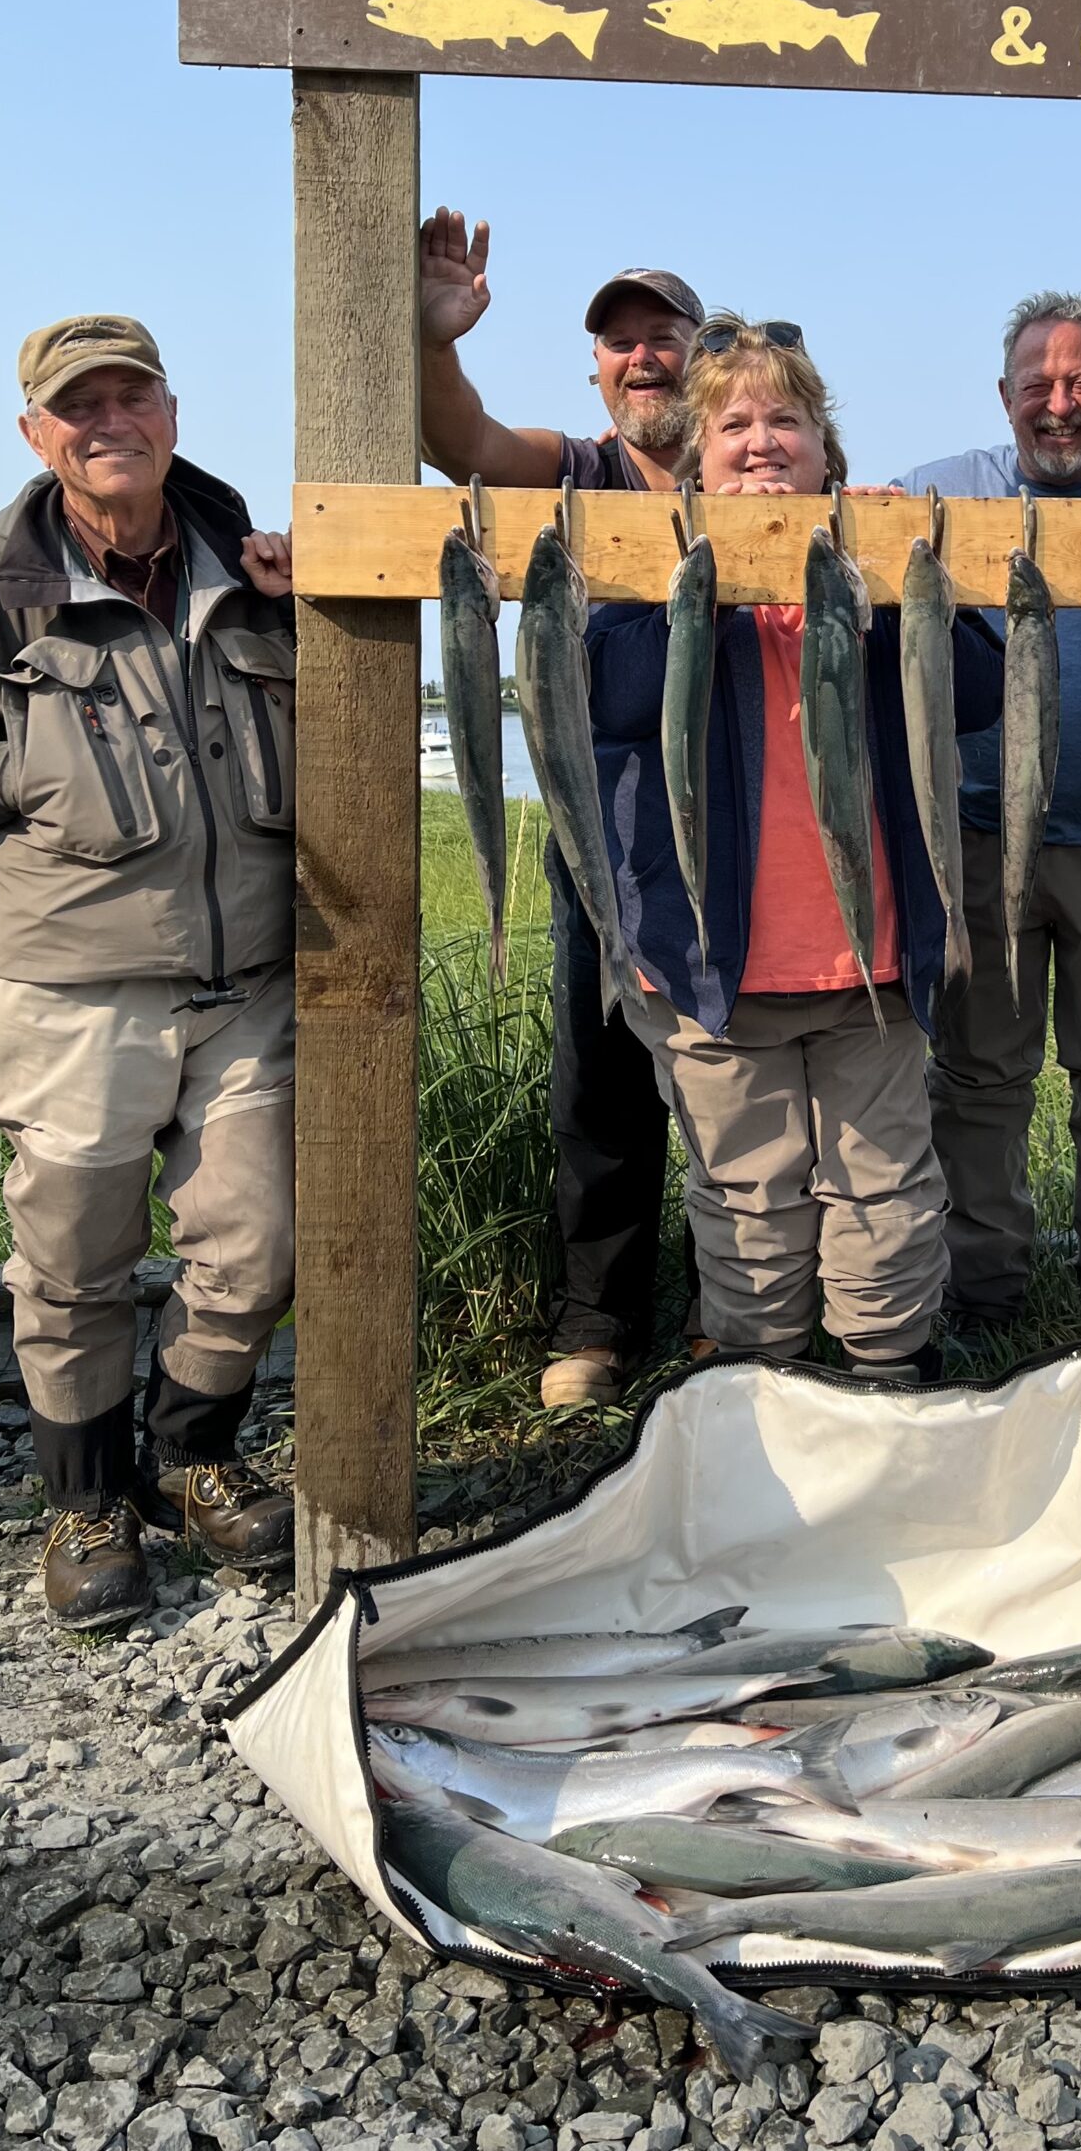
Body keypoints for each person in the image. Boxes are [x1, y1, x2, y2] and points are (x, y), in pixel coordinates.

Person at [0, 316, 300, 1628]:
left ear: (170, 411)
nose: (109, 423)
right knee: (76, 1262)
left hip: (249, 986)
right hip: (71, 992)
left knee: (260, 1248)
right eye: (76, 405)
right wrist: (15, 772)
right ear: (37, 433)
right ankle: (88, 1501)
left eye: (129, 396)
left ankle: (192, 1457)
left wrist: (308, 603)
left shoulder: (251, 566)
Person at [585, 319, 1005, 1378]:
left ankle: (885, 1374)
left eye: (788, 419)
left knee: (885, 1190)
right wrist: (706, 573)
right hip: (715, 968)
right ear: (694, 456)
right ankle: (759, 1380)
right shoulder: (649, 570)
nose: (761, 441)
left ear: (829, 453)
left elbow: (981, 690)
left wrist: (900, 576)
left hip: (873, 957)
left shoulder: (876, 565)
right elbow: (616, 695)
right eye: (732, 423)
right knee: (743, 1196)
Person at [417, 208, 704, 1409]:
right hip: (603, 834)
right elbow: (461, 438)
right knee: (599, 1083)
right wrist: (434, 341)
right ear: (595, 366)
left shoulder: (762, 466)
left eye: (664, 336)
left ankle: (739, 1310)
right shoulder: (571, 471)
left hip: (739, 835)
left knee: (745, 1085)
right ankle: (599, 1320)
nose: (643, 358)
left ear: (706, 351)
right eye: (620, 342)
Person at [893, 294, 1081, 1356]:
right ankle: (982, 1286)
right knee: (979, 1074)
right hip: (977, 837)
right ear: (1004, 397)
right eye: (1038, 385)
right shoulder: (937, 491)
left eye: (1079, 384)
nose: (1058, 405)